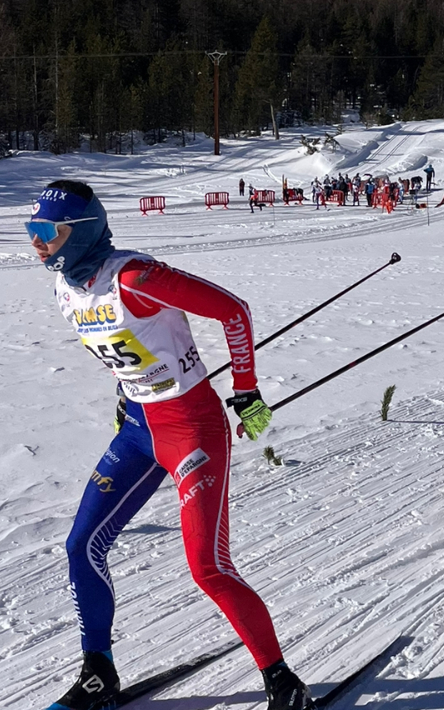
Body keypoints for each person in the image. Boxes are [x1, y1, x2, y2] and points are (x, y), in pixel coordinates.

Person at [25, 181, 314, 710]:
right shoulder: (68, 288)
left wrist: (246, 391)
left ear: (81, 233)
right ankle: (98, 674)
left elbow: (234, 311)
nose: (37, 241)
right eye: (32, 229)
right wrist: (125, 392)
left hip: (191, 428)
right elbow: (127, 349)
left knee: (208, 566)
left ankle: (283, 683)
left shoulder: (134, 278)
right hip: (138, 428)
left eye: (47, 231)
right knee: (81, 546)